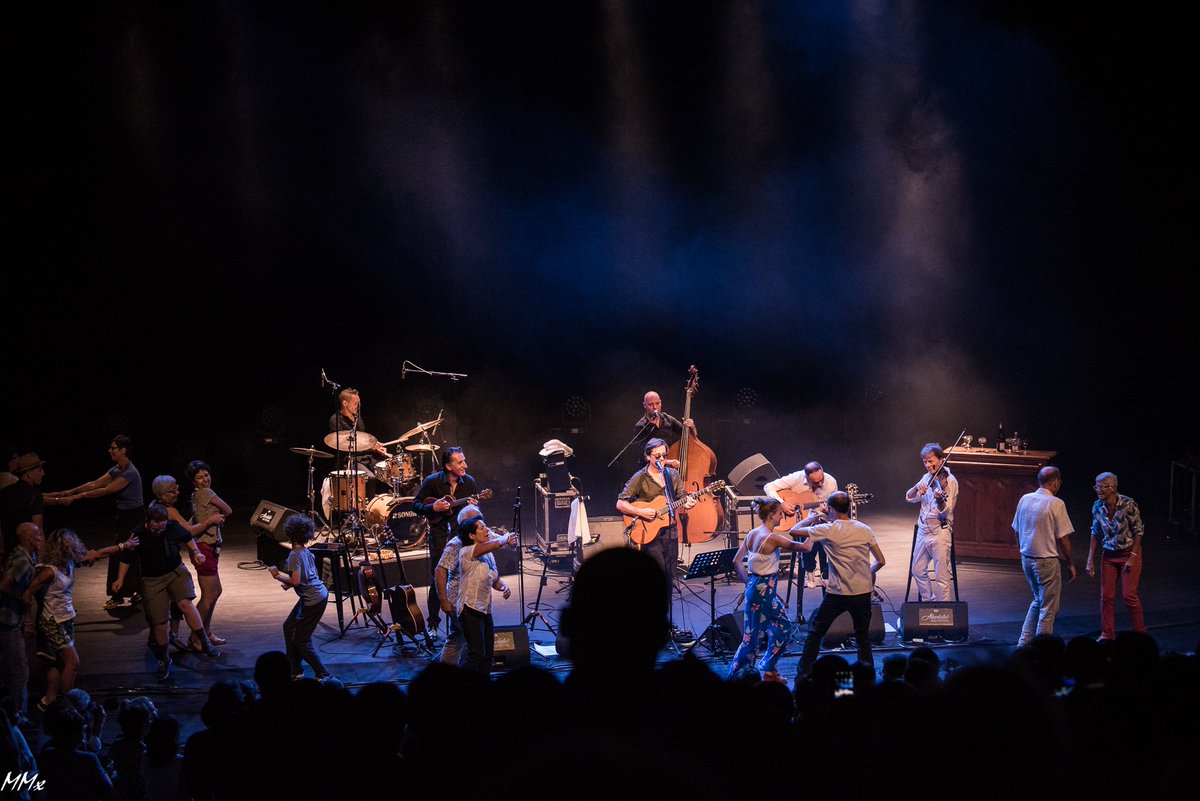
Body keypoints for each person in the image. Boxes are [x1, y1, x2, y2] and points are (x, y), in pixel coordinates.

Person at [22, 527, 137, 711]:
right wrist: (28, 622)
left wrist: (124, 545)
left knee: (59, 663)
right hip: (52, 622)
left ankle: (49, 700)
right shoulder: (49, 571)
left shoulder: (70, 563)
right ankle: (69, 705)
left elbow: (99, 553)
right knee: (72, 663)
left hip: (66, 618)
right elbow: (27, 593)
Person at [114, 502, 218, 682]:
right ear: (148, 522)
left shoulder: (172, 527)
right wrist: (120, 579)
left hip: (175, 571)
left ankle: (204, 641)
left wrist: (196, 552)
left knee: (185, 603)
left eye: (161, 528)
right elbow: (126, 557)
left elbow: (187, 537)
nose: (159, 531)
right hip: (152, 579)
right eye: (155, 528)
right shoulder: (138, 534)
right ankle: (164, 658)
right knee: (160, 623)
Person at [790, 491, 886, 678]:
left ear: (830, 508)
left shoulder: (828, 529)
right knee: (862, 637)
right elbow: (881, 561)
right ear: (849, 507)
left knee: (815, 633)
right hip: (863, 592)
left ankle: (803, 675)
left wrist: (814, 516)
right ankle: (867, 679)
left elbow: (794, 530)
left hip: (838, 594)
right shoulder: (865, 529)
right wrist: (867, 573)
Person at [47, 435, 145, 609]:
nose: (110, 451)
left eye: (113, 448)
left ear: (123, 450)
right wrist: (69, 491)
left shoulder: (130, 472)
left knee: (122, 550)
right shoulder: (117, 469)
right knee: (128, 550)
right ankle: (137, 590)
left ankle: (118, 595)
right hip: (123, 515)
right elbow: (94, 484)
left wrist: (77, 497)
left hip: (134, 517)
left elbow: (105, 490)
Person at [726, 498, 810, 683]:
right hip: (764, 592)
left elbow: (736, 561)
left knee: (753, 636)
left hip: (756, 588)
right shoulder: (772, 538)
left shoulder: (753, 533)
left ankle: (749, 675)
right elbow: (805, 547)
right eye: (780, 513)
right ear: (772, 515)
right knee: (780, 629)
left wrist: (749, 583)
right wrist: (816, 530)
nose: (782, 516)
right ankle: (761, 670)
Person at [616, 438, 695, 612]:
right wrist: (641, 512)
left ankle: (666, 616)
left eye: (664, 456)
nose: (661, 459)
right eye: (657, 456)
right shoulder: (640, 477)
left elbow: (682, 497)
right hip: (649, 534)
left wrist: (688, 502)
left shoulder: (672, 475)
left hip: (671, 531)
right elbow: (620, 503)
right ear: (648, 457)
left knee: (669, 577)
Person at [149, 474, 226, 652]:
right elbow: (188, 532)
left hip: (170, 561)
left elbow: (182, 527)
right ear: (162, 494)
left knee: (211, 593)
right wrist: (209, 520)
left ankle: (201, 633)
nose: (177, 492)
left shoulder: (158, 507)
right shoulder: (168, 511)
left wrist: (198, 518)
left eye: (176, 488)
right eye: (172, 491)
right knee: (200, 597)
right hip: (166, 563)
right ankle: (196, 637)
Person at [412, 446, 478, 635]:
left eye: (464, 461)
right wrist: (433, 507)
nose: (465, 465)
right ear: (449, 466)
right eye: (460, 462)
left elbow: (472, 512)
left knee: (462, 577)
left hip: (460, 536)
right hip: (439, 535)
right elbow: (416, 505)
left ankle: (461, 622)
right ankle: (433, 623)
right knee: (437, 579)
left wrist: (473, 507)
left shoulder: (469, 482)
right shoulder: (432, 482)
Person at [1012, 466, 1077, 647]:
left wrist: (1022, 550)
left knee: (1038, 601)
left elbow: (1016, 530)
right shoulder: (1056, 503)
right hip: (1046, 561)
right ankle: (1041, 649)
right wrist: (1071, 563)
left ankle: (1023, 643)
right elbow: (1063, 539)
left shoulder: (1025, 499)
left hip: (1027, 558)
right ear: (1055, 483)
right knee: (1048, 608)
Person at [268, 514, 333, 682]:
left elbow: (296, 581)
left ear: (290, 534)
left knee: (301, 640)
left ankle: (323, 673)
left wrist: (276, 575)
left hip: (313, 600)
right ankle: (295, 670)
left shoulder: (294, 555)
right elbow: (309, 576)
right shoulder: (306, 551)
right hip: (316, 595)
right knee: (289, 626)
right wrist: (289, 584)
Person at [1086, 472, 1146, 641]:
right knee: (1106, 597)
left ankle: (1141, 635)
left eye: (1101, 487)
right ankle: (1107, 634)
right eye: (1096, 486)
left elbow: (1139, 531)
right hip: (1109, 556)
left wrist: (1132, 557)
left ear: (1112, 488)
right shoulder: (1097, 506)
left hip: (1129, 553)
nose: (1098, 490)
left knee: (1129, 596)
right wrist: (1090, 559)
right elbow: (1095, 531)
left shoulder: (1128, 504)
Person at [455, 515, 516, 674]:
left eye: (485, 526)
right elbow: (497, 543)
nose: (487, 530)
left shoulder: (488, 555)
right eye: (482, 528)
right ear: (471, 535)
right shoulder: (466, 552)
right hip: (469, 608)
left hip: (485, 609)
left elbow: (494, 579)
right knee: (476, 655)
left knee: (488, 656)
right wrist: (506, 537)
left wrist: (504, 586)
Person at [764, 461, 838, 588]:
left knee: (824, 533)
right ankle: (810, 569)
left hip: (823, 520)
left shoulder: (831, 482)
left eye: (821, 480)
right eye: (816, 482)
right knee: (808, 532)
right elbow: (768, 486)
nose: (820, 484)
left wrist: (827, 512)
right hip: (802, 523)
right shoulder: (796, 477)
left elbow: (833, 512)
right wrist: (782, 503)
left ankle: (823, 572)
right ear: (806, 478)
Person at [0, 523, 44, 727]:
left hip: (8, 620)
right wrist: (22, 598)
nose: (41, 539)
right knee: (19, 670)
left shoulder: (21, 555)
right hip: (8, 622)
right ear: (29, 540)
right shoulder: (22, 561)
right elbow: (4, 585)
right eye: (38, 536)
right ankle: (18, 715)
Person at [904, 442, 958, 602]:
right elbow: (911, 498)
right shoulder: (926, 477)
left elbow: (946, 510)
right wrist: (916, 487)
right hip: (923, 530)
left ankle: (944, 610)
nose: (928, 465)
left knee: (942, 577)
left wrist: (939, 499)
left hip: (940, 531)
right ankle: (929, 603)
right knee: (917, 570)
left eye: (931, 461)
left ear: (941, 460)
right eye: (925, 462)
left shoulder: (950, 481)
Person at [187, 460, 232, 649]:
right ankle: (195, 637)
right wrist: (216, 516)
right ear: (194, 481)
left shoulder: (196, 495)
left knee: (216, 592)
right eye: (200, 477)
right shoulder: (206, 493)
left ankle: (206, 632)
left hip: (208, 547)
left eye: (206, 475)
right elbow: (228, 509)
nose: (205, 480)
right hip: (204, 548)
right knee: (208, 596)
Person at [433, 503, 481, 666]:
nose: (480, 523)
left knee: (463, 637)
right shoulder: (457, 544)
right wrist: (444, 601)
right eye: (476, 520)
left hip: (476, 600)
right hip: (460, 602)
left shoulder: (481, 540)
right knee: (462, 638)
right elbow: (440, 570)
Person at [0, 453, 70, 559]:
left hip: (7, 552)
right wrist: (41, 559)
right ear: (29, 474)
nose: (43, 474)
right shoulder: (34, 496)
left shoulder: (4, 493)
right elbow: (38, 531)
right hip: (26, 554)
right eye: (39, 470)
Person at [630, 390, 697, 464]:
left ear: (661, 403)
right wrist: (667, 462)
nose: (655, 407)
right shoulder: (640, 426)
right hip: (650, 467)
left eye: (657, 403)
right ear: (644, 405)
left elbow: (689, 436)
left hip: (668, 464)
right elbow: (644, 455)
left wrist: (692, 427)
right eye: (650, 404)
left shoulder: (667, 419)